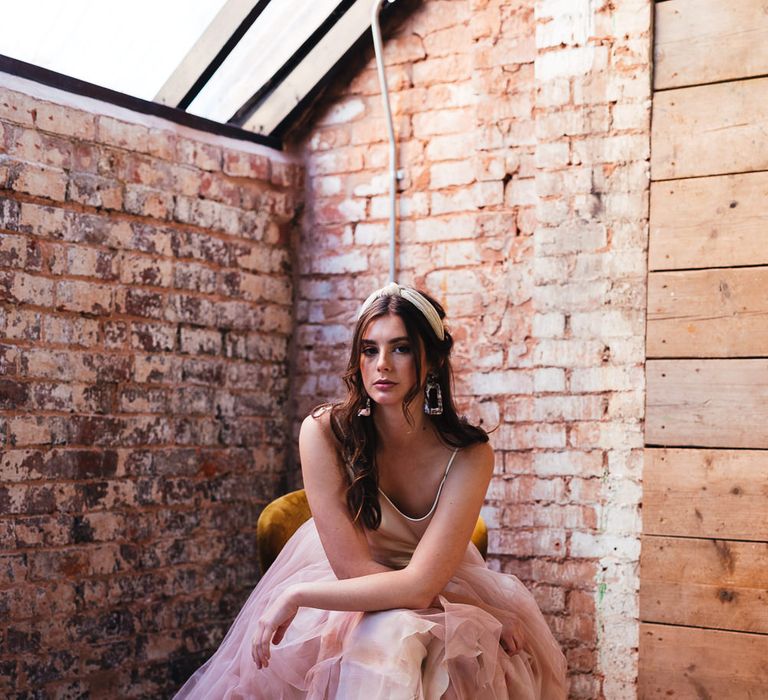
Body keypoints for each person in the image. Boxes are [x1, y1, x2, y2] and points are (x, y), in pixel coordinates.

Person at [174, 282, 567, 699]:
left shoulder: (469, 454)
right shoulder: (325, 432)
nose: (382, 364)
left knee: (434, 645)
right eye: (369, 349)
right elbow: (353, 572)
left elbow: (418, 586)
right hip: (350, 585)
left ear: (431, 360)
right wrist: (297, 591)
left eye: (400, 349)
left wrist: (298, 595)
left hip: (436, 584)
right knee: (391, 633)